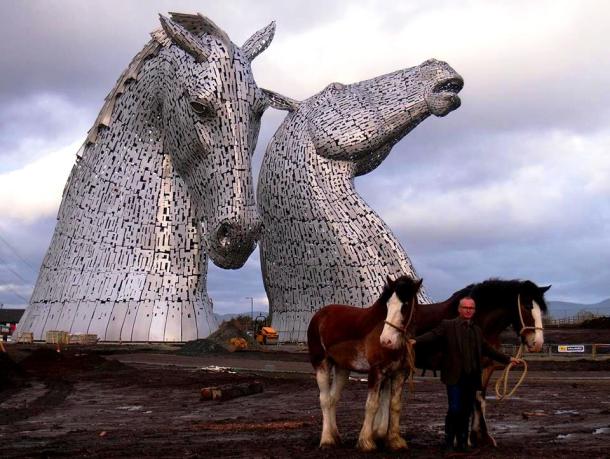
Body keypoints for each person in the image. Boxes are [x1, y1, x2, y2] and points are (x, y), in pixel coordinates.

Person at [409, 297, 522, 453]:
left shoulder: (476, 330)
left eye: (471, 308)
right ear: (459, 309)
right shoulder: (447, 325)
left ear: (474, 311)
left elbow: (488, 349)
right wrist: (415, 341)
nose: (468, 310)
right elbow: (433, 335)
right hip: (454, 377)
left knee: (466, 410)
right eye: (465, 307)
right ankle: (449, 442)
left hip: (471, 378)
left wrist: (508, 359)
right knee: (454, 409)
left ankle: (462, 442)